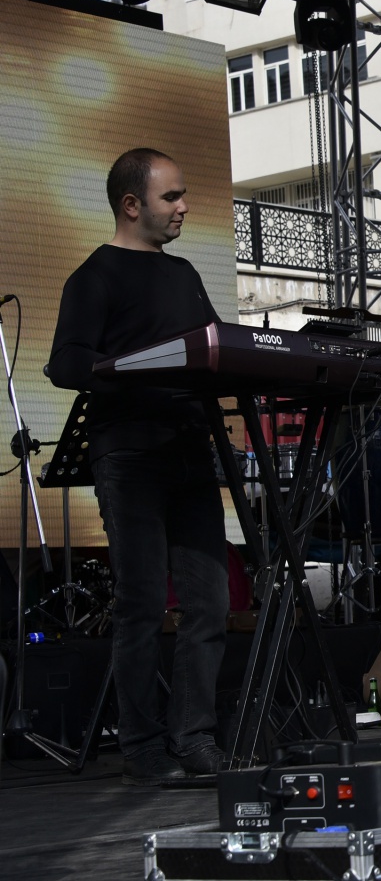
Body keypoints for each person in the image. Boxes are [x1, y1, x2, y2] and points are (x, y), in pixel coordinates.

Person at [49, 148, 229, 785]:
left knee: (210, 601)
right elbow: (67, 363)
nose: (184, 207)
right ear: (132, 205)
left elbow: (216, 351)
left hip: (189, 449)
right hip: (129, 454)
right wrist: (130, 371)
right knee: (142, 603)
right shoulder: (94, 277)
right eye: (171, 197)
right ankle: (145, 749)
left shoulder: (183, 276)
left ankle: (195, 738)